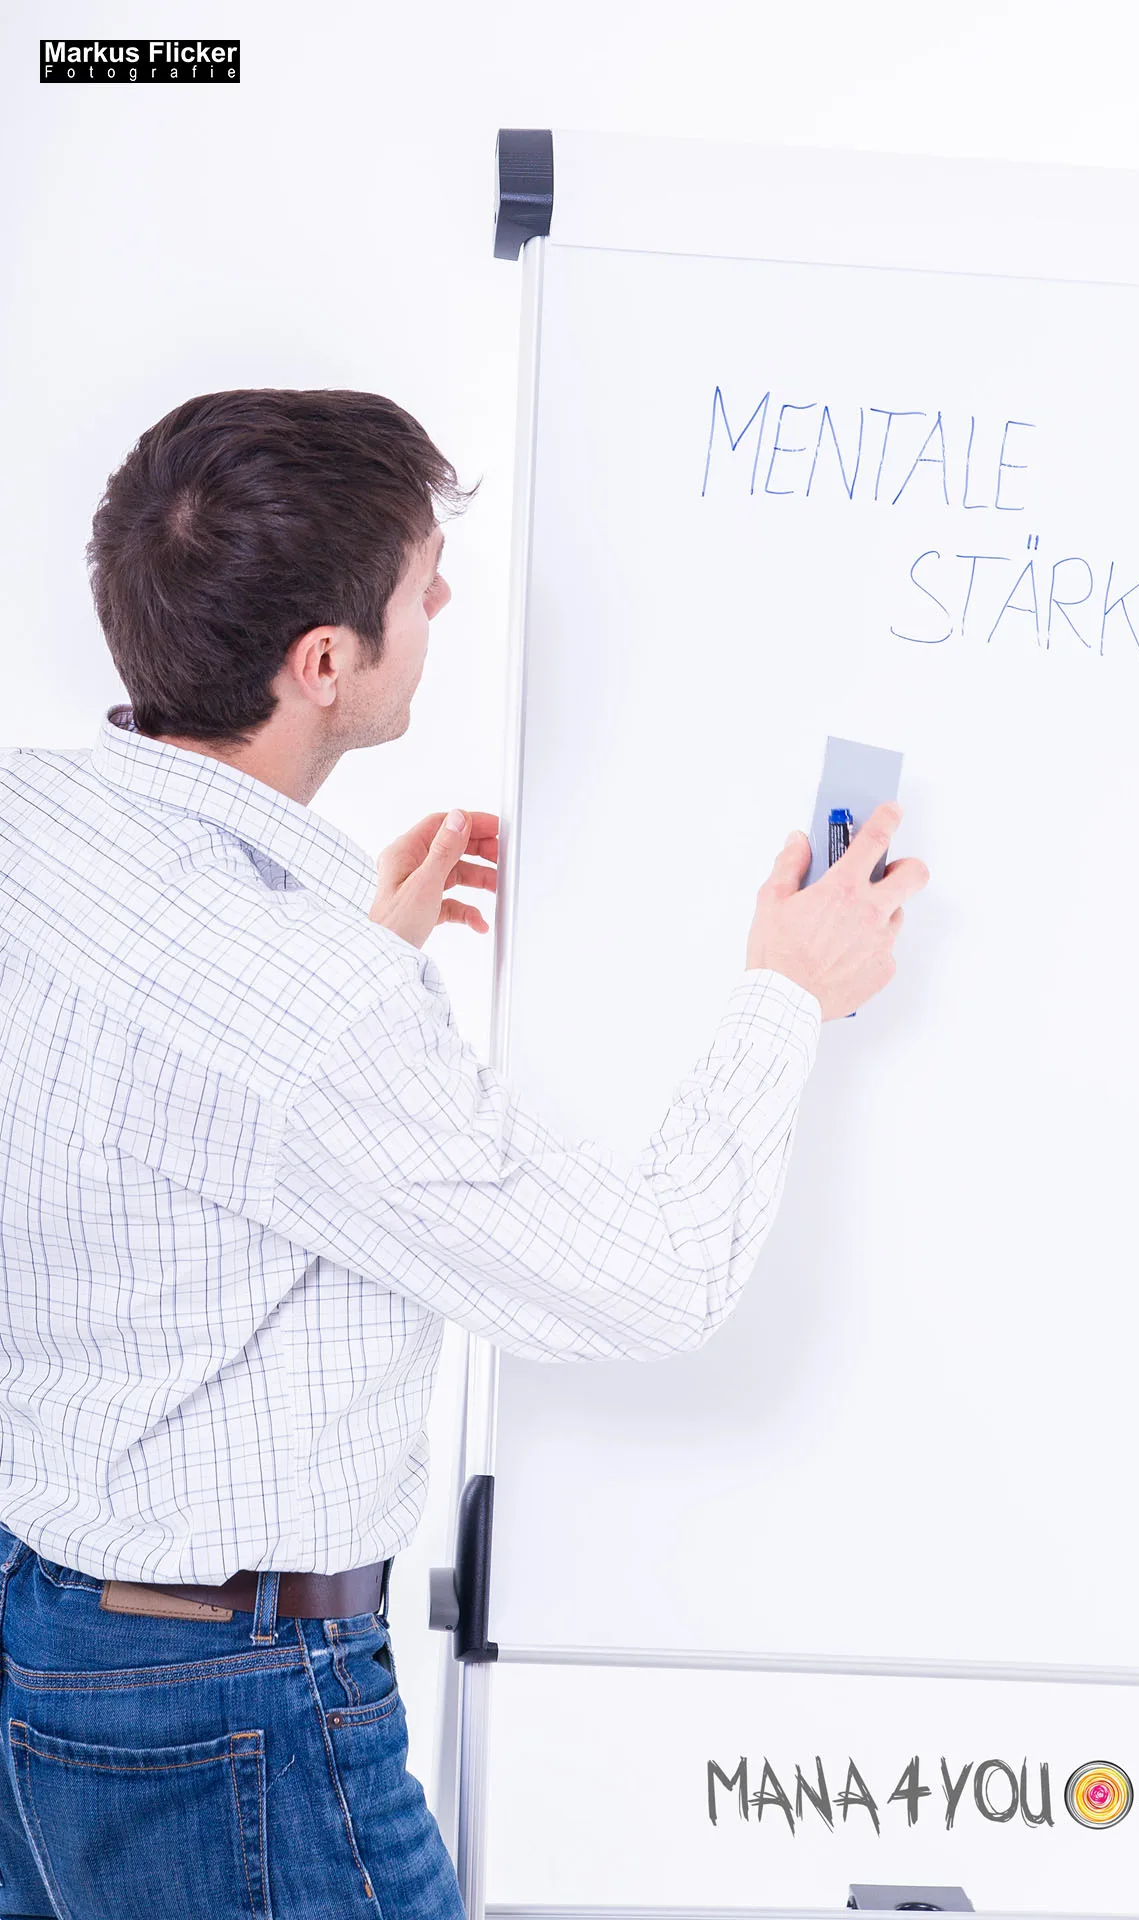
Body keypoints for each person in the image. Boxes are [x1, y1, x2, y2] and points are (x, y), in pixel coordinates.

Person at [0, 388, 928, 1918]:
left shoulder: (34, 824)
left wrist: (342, 960)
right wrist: (790, 989)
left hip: (47, 1647)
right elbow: (657, 1279)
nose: (442, 606)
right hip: (232, 1719)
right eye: (423, 583)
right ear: (323, 663)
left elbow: (151, 1101)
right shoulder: (315, 1012)